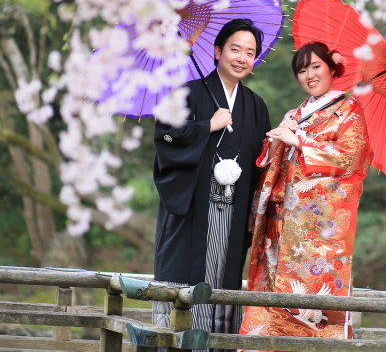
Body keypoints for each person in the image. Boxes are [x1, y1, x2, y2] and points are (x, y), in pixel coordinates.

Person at [239, 42, 372, 343]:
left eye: (315, 67)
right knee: (271, 290)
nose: (309, 75)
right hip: (279, 220)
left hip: (314, 228)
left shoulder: (349, 110)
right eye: (302, 70)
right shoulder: (295, 112)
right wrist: (278, 140)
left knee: (311, 294)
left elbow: (352, 157)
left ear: (332, 68)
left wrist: (300, 142)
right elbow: (270, 161)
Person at [151, 18, 271, 348]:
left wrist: (278, 144)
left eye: (250, 52)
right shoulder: (186, 93)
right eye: (235, 49)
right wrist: (206, 126)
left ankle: (215, 343)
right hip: (192, 211)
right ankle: (174, 341)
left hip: (232, 212)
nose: (242, 58)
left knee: (222, 283)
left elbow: (262, 162)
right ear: (217, 51)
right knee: (183, 282)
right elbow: (164, 136)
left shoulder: (256, 106)